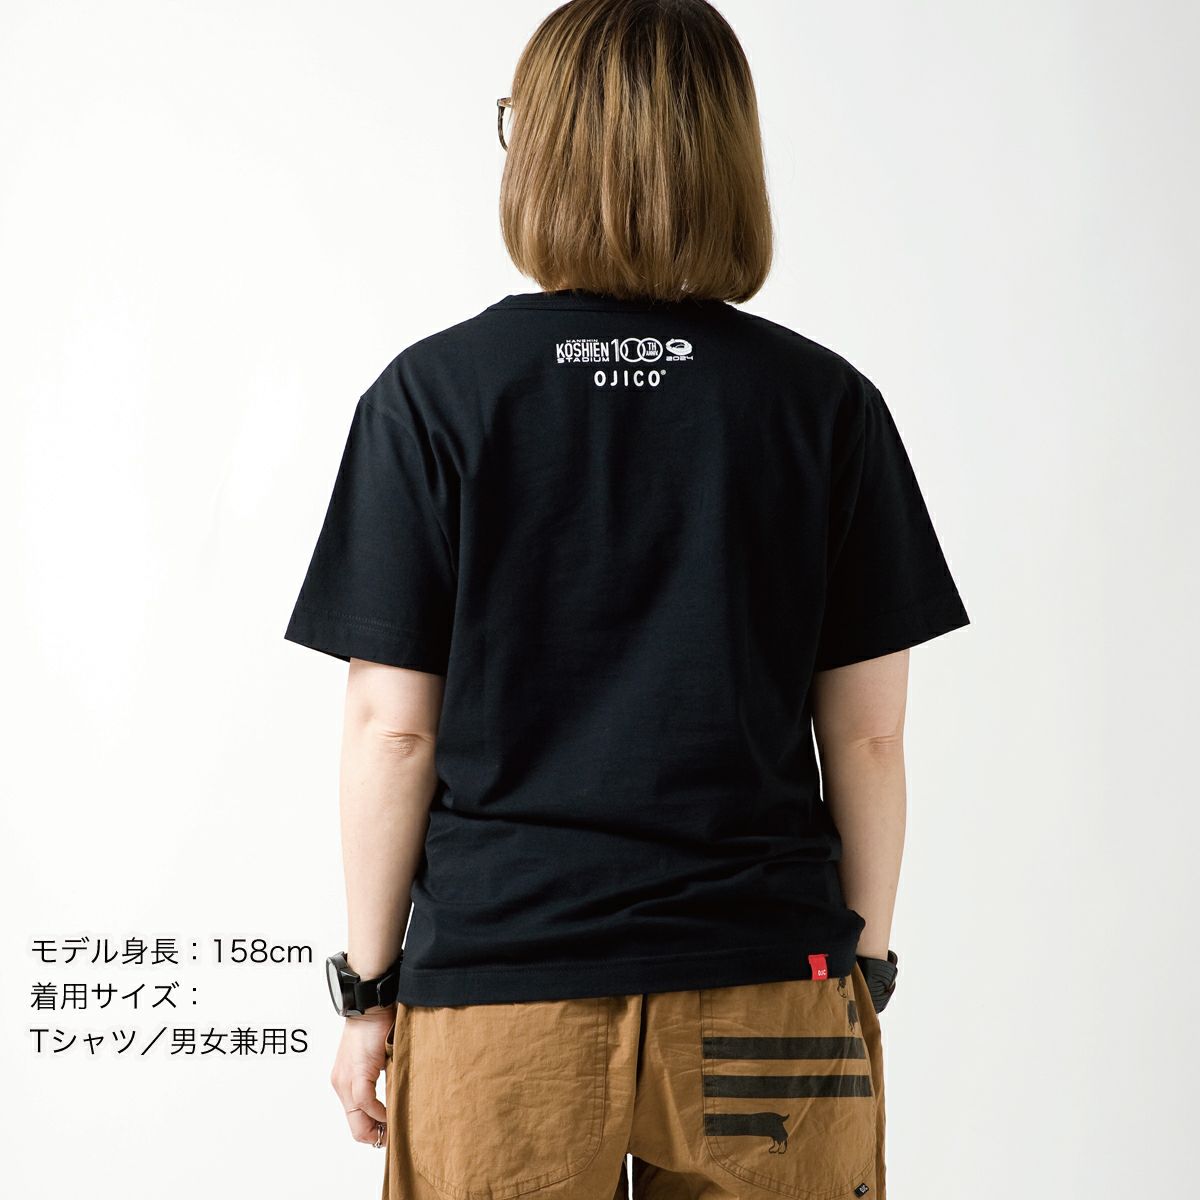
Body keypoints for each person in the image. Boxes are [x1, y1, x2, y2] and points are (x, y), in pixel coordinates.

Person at [283, 1, 970, 1196]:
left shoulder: (432, 399)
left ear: (541, 150)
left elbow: (393, 729)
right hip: (771, 982)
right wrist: (864, 971)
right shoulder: (825, 407)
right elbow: (868, 734)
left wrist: (368, 989)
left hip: (506, 999)